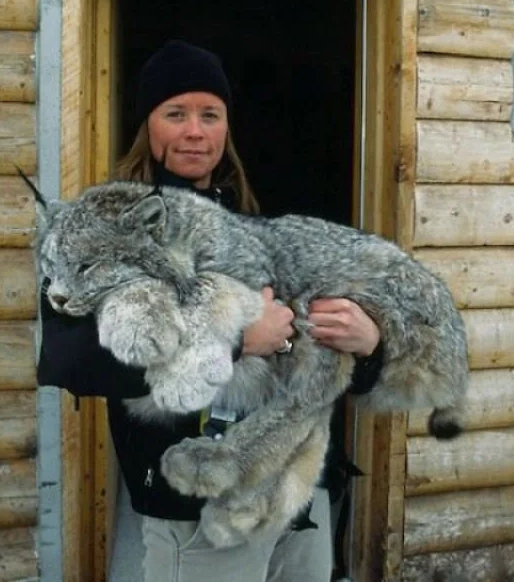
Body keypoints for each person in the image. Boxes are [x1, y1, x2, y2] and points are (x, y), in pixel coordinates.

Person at [38, 39, 383, 582]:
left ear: (226, 128)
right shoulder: (99, 233)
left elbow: (309, 351)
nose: (194, 131)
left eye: (210, 114)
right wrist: (238, 341)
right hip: (199, 507)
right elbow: (71, 362)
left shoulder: (254, 225)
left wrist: (368, 346)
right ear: (148, 126)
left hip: (297, 495)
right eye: (175, 114)